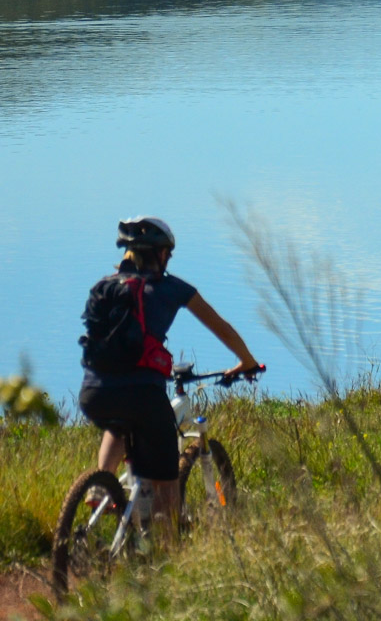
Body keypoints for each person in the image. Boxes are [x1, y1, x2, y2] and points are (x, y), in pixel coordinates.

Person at [76, 216, 260, 541]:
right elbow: (222, 328)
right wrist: (246, 361)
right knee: (167, 482)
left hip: (94, 392)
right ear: (160, 254)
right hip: (143, 396)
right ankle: (167, 551)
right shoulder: (172, 288)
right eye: (167, 254)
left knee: (118, 424)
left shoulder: (104, 285)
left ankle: (101, 486)